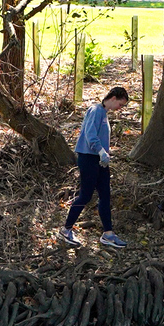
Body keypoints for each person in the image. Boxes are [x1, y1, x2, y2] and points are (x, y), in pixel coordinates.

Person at [60, 87, 129, 249]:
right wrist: (100, 151)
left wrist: (104, 154)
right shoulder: (96, 110)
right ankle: (66, 229)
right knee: (85, 195)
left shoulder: (103, 114)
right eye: (120, 104)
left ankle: (108, 234)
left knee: (105, 195)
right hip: (89, 158)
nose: (120, 108)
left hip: (100, 160)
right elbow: (90, 135)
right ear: (113, 98)